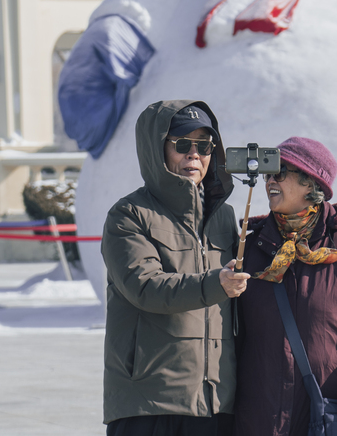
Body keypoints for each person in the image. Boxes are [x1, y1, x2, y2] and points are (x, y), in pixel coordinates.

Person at [101, 100, 250, 436]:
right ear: (157, 150)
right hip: (149, 403)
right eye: (182, 144)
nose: (194, 155)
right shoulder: (129, 214)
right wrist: (216, 284)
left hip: (215, 403)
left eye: (204, 145)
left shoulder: (223, 217)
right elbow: (145, 286)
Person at [234, 137, 337, 436]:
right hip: (258, 421)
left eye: (281, 172)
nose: (271, 180)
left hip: (325, 420)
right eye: (270, 172)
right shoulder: (249, 248)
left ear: (312, 185)